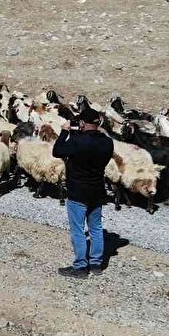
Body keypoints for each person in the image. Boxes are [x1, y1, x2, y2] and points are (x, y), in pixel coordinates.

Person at [51, 106, 114, 277]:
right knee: (96, 228)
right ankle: (96, 264)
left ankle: (80, 267)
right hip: (97, 191)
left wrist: (65, 131)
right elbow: (94, 145)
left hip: (78, 191)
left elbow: (57, 151)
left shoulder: (77, 141)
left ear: (82, 123)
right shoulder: (108, 142)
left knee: (78, 229)